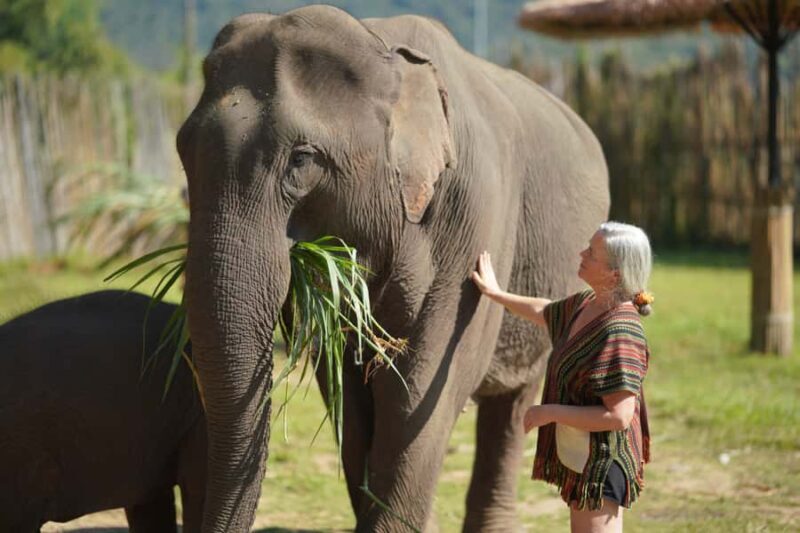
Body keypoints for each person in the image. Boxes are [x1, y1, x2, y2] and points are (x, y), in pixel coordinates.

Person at [471, 221, 653, 533]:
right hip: (583, 455)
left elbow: (619, 416)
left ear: (615, 274)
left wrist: (548, 412)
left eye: (592, 253)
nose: (582, 253)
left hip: (602, 464)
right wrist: (495, 294)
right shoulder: (587, 304)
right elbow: (545, 311)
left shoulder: (620, 331)